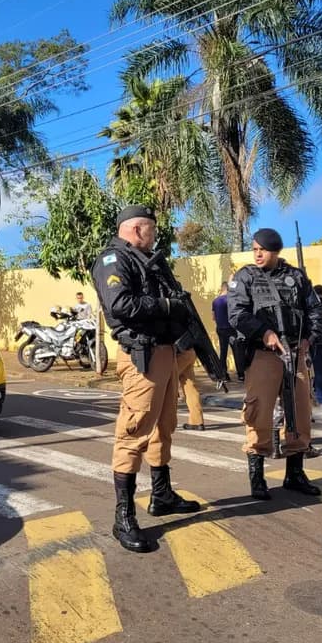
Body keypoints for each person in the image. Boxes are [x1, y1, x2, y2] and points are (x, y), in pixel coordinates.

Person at [91, 205, 200, 553]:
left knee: (164, 425)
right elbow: (121, 304)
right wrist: (168, 307)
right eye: (151, 229)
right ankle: (123, 517)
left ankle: (162, 494)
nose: (155, 235)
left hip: (166, 353)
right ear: (137, 229)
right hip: (143, 356)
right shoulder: (113, 260)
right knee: (134, 430)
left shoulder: (148, 260)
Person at [229, 228, 322, 500]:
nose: (257, 253)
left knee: (300, 412)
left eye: (263, 249)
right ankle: (257, 477)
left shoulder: (296, 277)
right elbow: (237, 314)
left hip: (295, 352)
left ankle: (295, 473)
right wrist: (264, 333)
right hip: (263, 354)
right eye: (255, 248)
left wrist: (310, 338)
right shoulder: (245, 277)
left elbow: (314, 310)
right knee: (259, 411)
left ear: (276, 251)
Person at [212, 282, 243, 381]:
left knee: (223, 352)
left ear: (221, 288)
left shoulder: (215, 301)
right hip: (231, 329)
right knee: (236, 351)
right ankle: (241, 375)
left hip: (220, 329)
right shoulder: (230, 300)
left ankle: (224, 375)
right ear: (228, 289)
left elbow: (213, 317)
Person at [177, 347, 205, 430]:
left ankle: (165, 422)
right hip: (190, 351)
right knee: (190, 387)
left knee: (166, 384)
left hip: (176, 353)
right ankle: (197, 421)